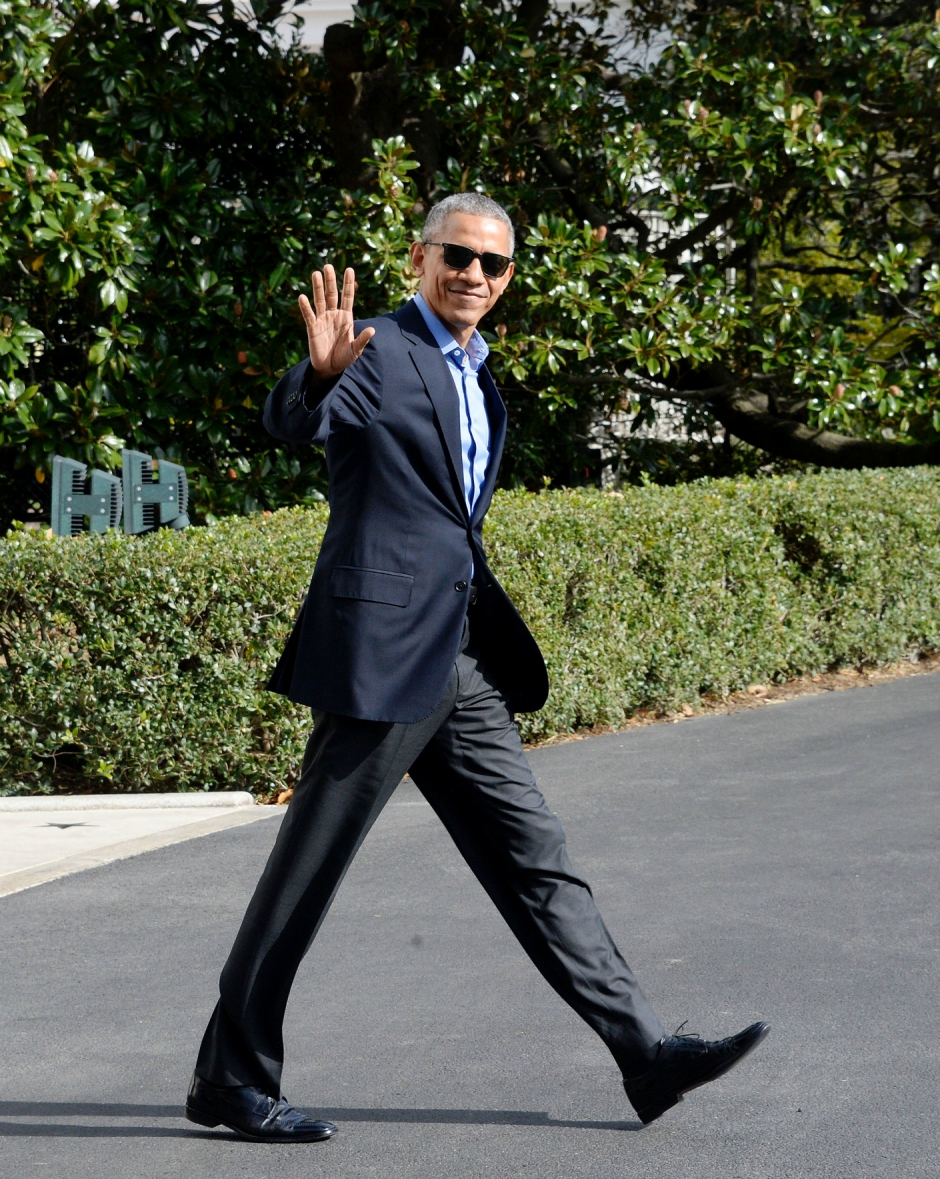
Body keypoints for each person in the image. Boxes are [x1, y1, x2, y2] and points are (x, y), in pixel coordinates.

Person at [185, 193, 769, 1143]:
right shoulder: (378, 344)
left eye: (493, 265)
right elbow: (303, 419)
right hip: (379, 660)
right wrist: (317, 379)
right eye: (457, 255)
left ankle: (646, 1054)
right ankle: (232, 1078)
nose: (474, 275)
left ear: (508, 280)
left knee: (537, 856)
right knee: (307, 875)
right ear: (421, 256)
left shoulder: (479, 375)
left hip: (458, 660)